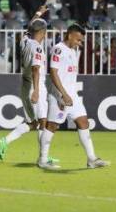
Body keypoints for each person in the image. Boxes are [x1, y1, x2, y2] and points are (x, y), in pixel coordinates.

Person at [41, 23, 109, 170]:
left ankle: (91, 159)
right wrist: (62, 95)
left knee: (83, 122)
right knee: (52, 126)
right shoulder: (58, 49)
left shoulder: (73, 51)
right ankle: (43, 159)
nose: (80, 43)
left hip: (73, 96)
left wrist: (70, 94)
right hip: (59, 96)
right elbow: (53, 73)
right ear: (70, 35)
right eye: (78, 40)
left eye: (81, 41)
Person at [0, 8, 56, 163]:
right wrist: (36, 91)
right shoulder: (37, 47)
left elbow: (31, 26)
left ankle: (5, 141)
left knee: (33, 123)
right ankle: (43, 157)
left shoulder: (25, 40)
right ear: (43, 32)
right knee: (43, 122)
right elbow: (36, 69)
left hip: (24, 84)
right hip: (34, 86)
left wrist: (37, 14)